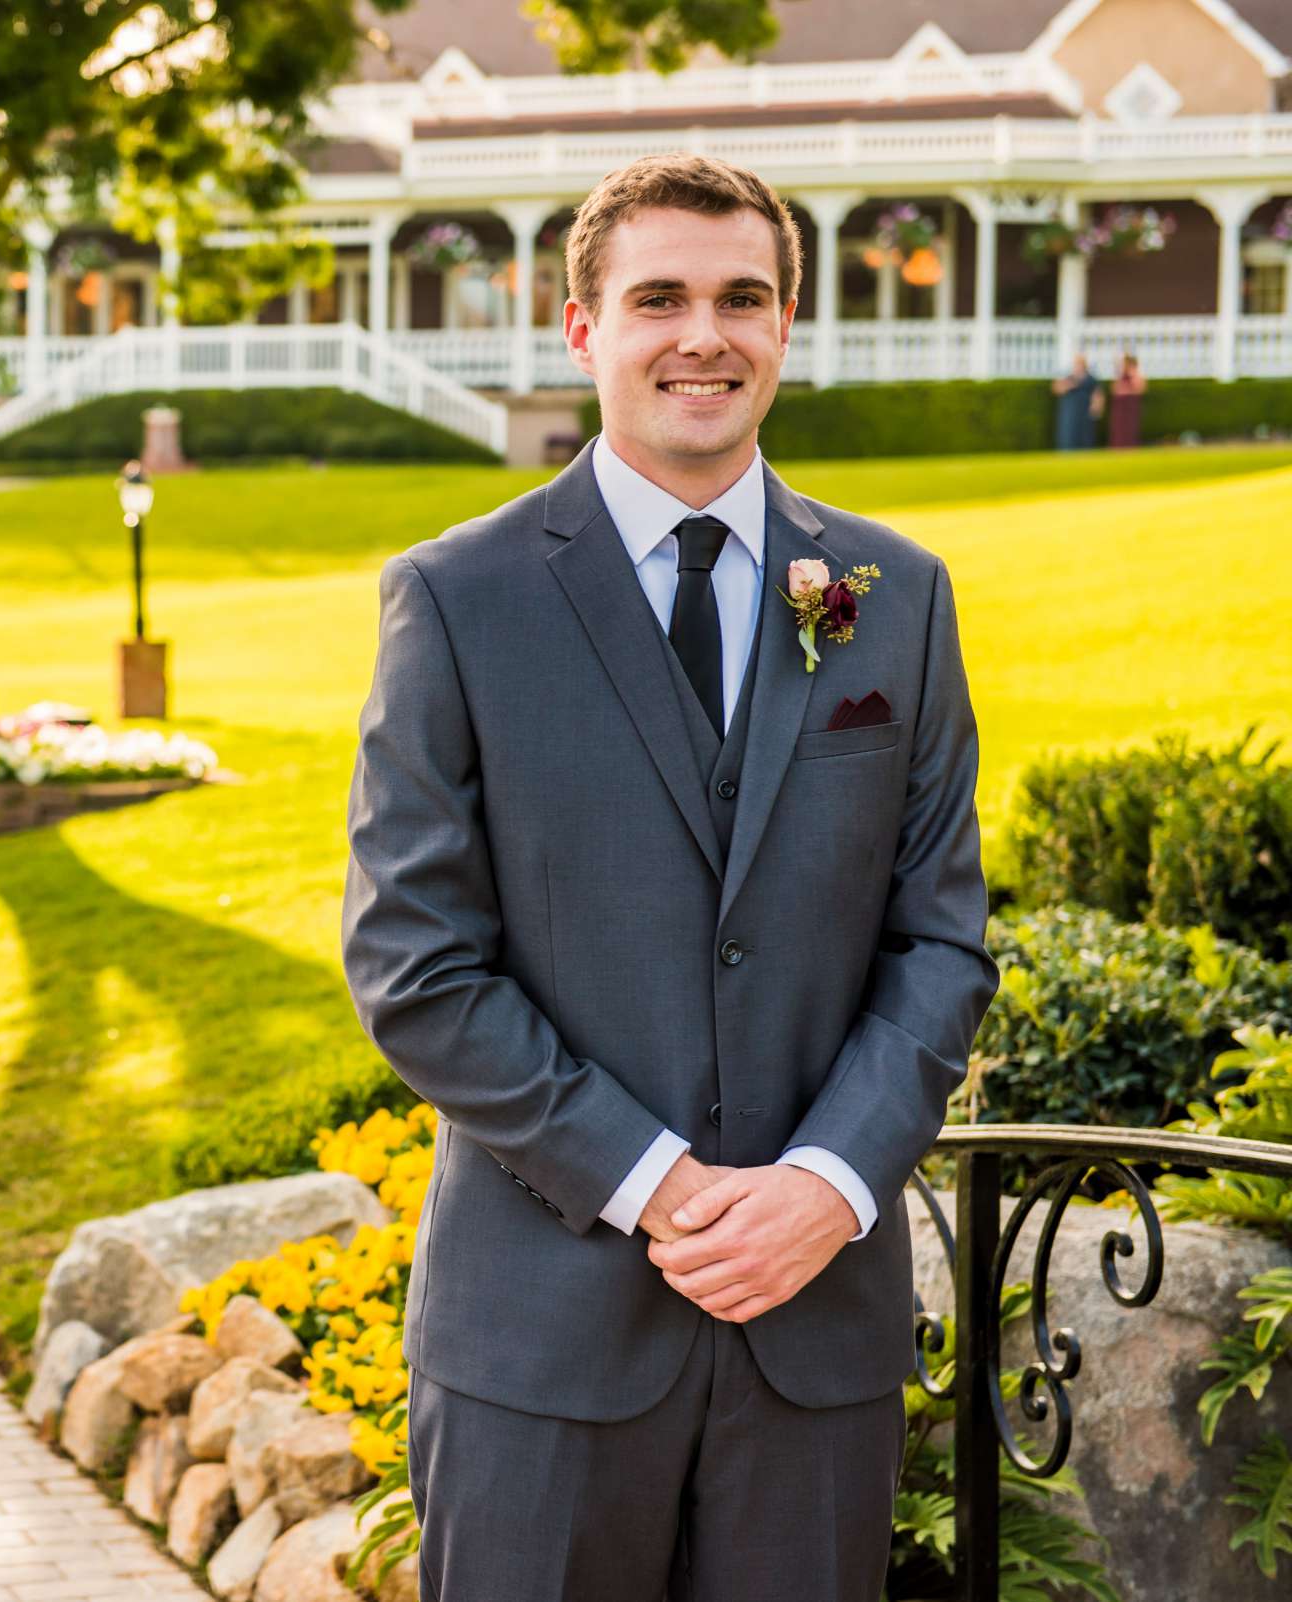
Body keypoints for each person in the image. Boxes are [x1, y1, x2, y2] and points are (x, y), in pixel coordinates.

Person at [341, 152, 995, 1601]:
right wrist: (660, 1188)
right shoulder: (458, 598)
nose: (705, 333)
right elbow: (416, 966)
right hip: (542, 1347)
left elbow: (941, 943)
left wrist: (825, 1187)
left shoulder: (894, 597)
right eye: (661, 298)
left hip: (813, 1342)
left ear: (785, 328)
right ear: (583, 328)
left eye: (742, 298)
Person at [1052, 353, 1101, 450]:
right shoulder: (1068, 377)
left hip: (1085, 413)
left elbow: (1097, 394)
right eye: (1076, 364)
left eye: (1080, 363)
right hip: (1070, 412)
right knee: (1069, 433)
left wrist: (1096, 407)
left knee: (1085, 435)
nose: (1078, 366)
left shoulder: (1090, 379)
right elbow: (1056, 388)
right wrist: (1068, 386)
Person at [1108, 351, 1146, 449]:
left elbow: (1140, 388)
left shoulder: (1134, 372)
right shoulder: (1120, 374)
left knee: (1130, 427)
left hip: (1130, 406)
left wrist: (1126, 388)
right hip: (1120, 406)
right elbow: (1115, 388)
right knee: (1119, 428)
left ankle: (1131, 447)